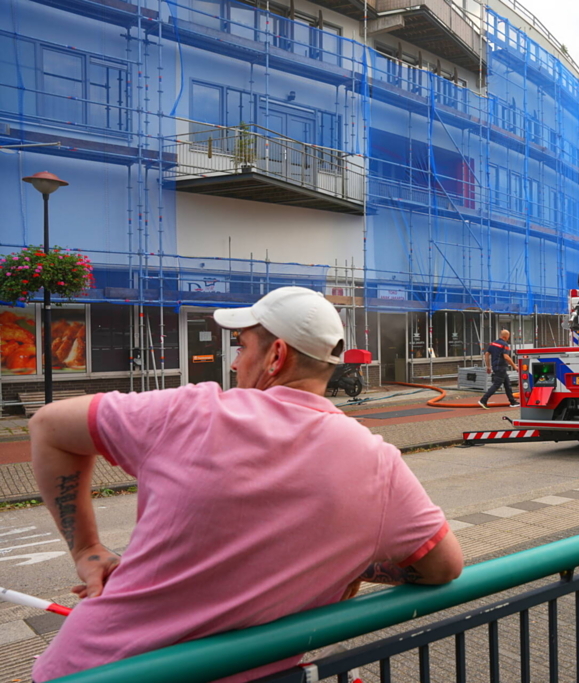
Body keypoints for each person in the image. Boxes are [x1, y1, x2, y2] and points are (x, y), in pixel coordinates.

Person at [30, 287, 463, 682]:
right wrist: (343, 561)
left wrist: (87, 550)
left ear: (276, 355)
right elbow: (443, 567)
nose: (235, 362)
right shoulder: (376, 461)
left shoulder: (190, 412)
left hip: (95, 670)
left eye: (242, 346)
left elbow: (48, 427)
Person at [478, 329, 519, 409]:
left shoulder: (493, 343)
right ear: (506, 336)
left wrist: (488, 366)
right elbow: (506, 357)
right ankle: (483, 400)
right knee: (496, 385)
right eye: (508, 336)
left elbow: (486, 354)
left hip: (495, 367)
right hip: (501, 367)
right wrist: (515, 366)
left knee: (507, 384)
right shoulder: (505, 345)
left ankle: (512, 402)